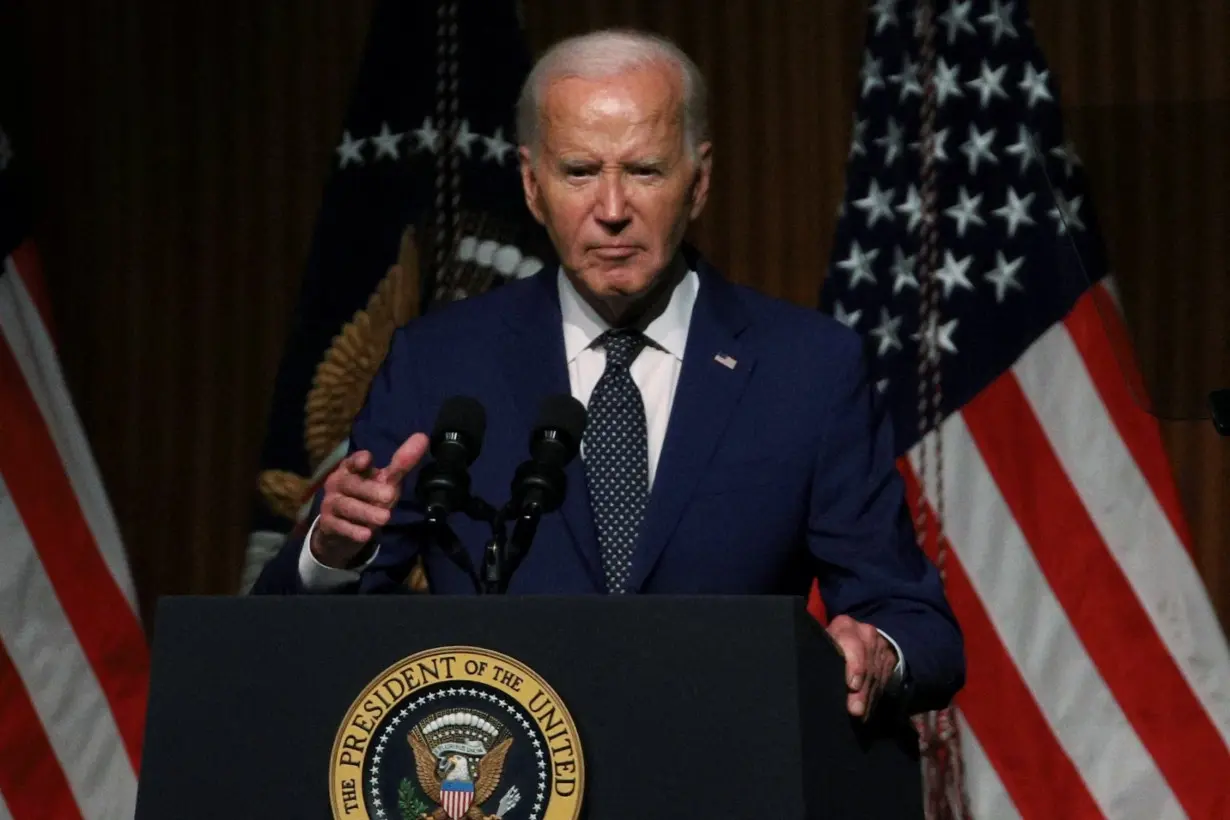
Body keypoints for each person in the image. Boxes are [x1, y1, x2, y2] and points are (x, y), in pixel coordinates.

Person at [252, 28, 963, 720]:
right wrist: (330, 553)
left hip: (731, 773)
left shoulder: (806, 369)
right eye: (580, 172)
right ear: (533, 187)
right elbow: (295, 633)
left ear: (699, 181)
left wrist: (879, 651)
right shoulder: (439, 362)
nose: (613, 210)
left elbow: (915, 623)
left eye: (645, 170)